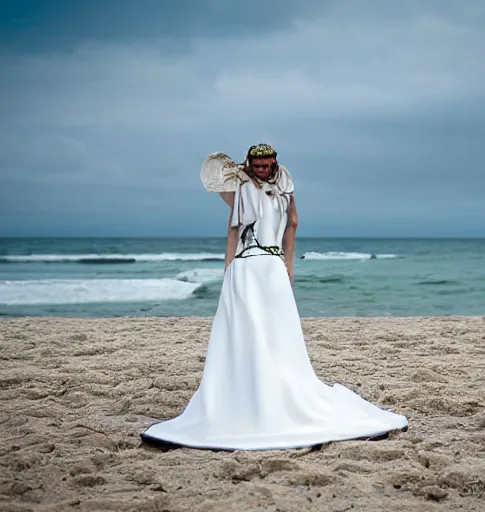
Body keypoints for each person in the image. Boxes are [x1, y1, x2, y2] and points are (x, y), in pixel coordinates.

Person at [140, 143, 408, 451]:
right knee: (260, 333)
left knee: (264, 333)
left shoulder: (261, 191)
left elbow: (260, 227)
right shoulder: (271, 189)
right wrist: (262, 266)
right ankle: (257, 393)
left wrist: (257, 267)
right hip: (261, 265)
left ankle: (260, 397)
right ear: (256, 164)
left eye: (266, 165)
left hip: (260, 265)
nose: (263, 170)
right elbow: (269, 226)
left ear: (271, 164)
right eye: (259, 165)